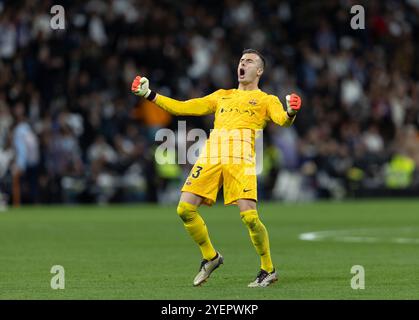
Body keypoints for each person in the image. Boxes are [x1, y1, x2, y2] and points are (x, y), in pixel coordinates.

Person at [131, 49, 302, 287]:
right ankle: (210, 257)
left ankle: (267, 269)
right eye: (241, 60)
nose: (243, 64)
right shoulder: (222, 95)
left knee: (250, 217)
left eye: (249, 61)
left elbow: (283, 120)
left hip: (241, 157)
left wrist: (292, 111)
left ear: (259, 71)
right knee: (184, 209)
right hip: (212, 155)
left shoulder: (266, 100)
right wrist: (149, 94)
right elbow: (182, 108)